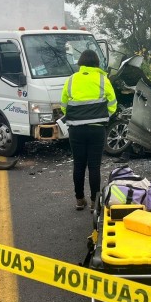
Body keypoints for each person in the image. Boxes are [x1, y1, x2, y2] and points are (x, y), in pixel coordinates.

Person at [61, 49, 117, 211]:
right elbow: (113, 104)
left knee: (78, 165)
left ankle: (79, 200)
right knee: (94, 166)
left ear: (80, 63)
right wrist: (103, 116)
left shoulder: (71, 80)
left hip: (76, 130)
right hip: (97, 129)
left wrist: (77, 117)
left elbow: (64, 104)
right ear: (96, 63)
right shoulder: (102, 79)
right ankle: (95, 202)